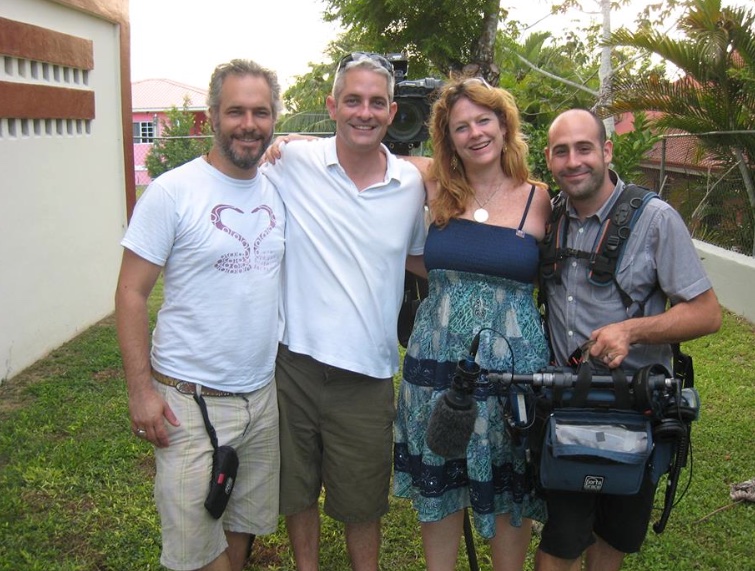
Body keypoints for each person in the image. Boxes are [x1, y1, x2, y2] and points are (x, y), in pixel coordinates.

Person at [114, 59, 285, 571]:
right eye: (236, 111)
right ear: (213, 115)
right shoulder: (173, 191)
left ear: (275, 117)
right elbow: (129, 293)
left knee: (239, 531)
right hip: (188, 402)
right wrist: (141, 391)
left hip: (261, 398)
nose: (248, 124)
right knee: (193, 552)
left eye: (260, 112)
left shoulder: (278, 187)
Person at [534, 108, 722, 571]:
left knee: (613, 537)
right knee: (560, 540)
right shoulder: (548, 216)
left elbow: (708, 312)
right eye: (562, 151)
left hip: (637, 411)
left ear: (607, 150)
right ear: (549, 159)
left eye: (584, 148)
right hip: (566, 407)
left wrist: (630, 330)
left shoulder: (655, 220)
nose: (574, 161)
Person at [261, 52, 427, 571]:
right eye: (352, 100)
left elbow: (420, 259)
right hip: (295, 365)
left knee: (363, 503)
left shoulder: (411, 186)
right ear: (331, 106)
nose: (364, 112)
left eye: (377, 102)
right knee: (297, 489)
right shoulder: (291, 163)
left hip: (368, 374)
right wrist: (283, 141)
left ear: (393, 111)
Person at [392, 76, 552, 571]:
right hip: (437, 364)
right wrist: (292, 143)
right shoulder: (433, 184)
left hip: (513, 369)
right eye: (461, 126)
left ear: (504, 125)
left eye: (484, 120)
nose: (475, 133)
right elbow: (363, 153)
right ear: (448, 138)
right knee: (439, 473)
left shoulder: (541, 199)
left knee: (512, 483)